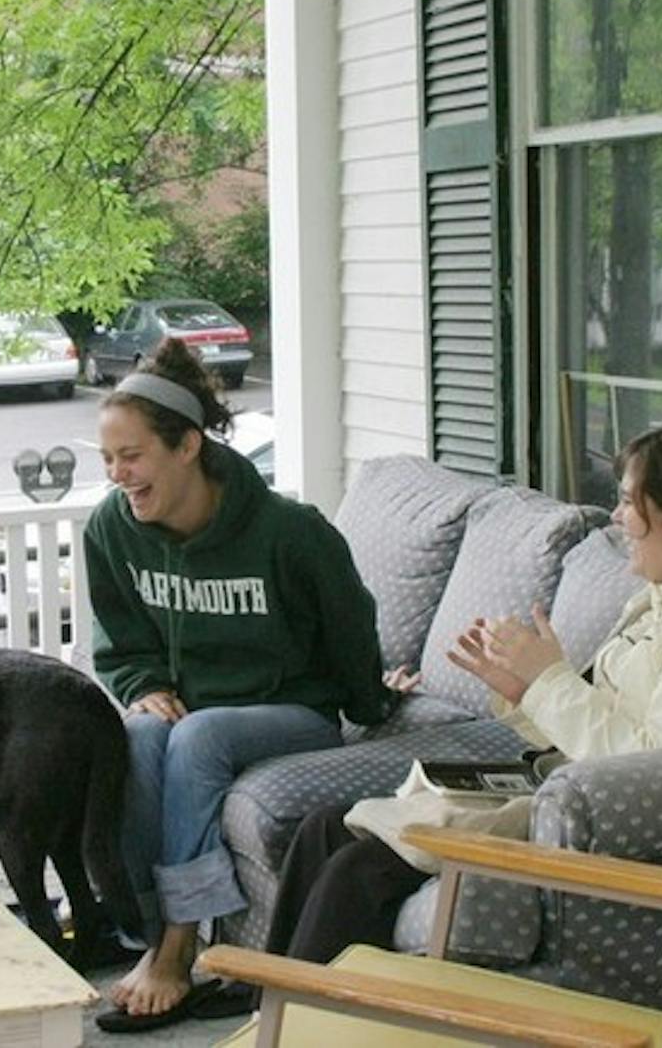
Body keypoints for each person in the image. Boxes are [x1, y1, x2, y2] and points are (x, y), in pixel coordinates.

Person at [263, 416, 662, 968]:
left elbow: (648, 773)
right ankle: (271, 1014)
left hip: (589, 829)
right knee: (323, 829)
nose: (617, 518)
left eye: (626, 502)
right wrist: (521, 692)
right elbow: (597, 723)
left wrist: (549, 680)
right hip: (561, 794)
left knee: (359, 870)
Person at [85, 338, 417, 1032]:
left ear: (187, 447)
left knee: (199, 735)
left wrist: (373, 701)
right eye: (108, 458)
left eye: (132, 455)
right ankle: (148, 932)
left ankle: (181, 944)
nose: (118, 474)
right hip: (189, 709)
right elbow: (119, 637)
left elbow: (348, 623)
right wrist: (142, 680)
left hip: (293, 710)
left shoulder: (289, 533)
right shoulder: (112, 530)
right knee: (142, 733)